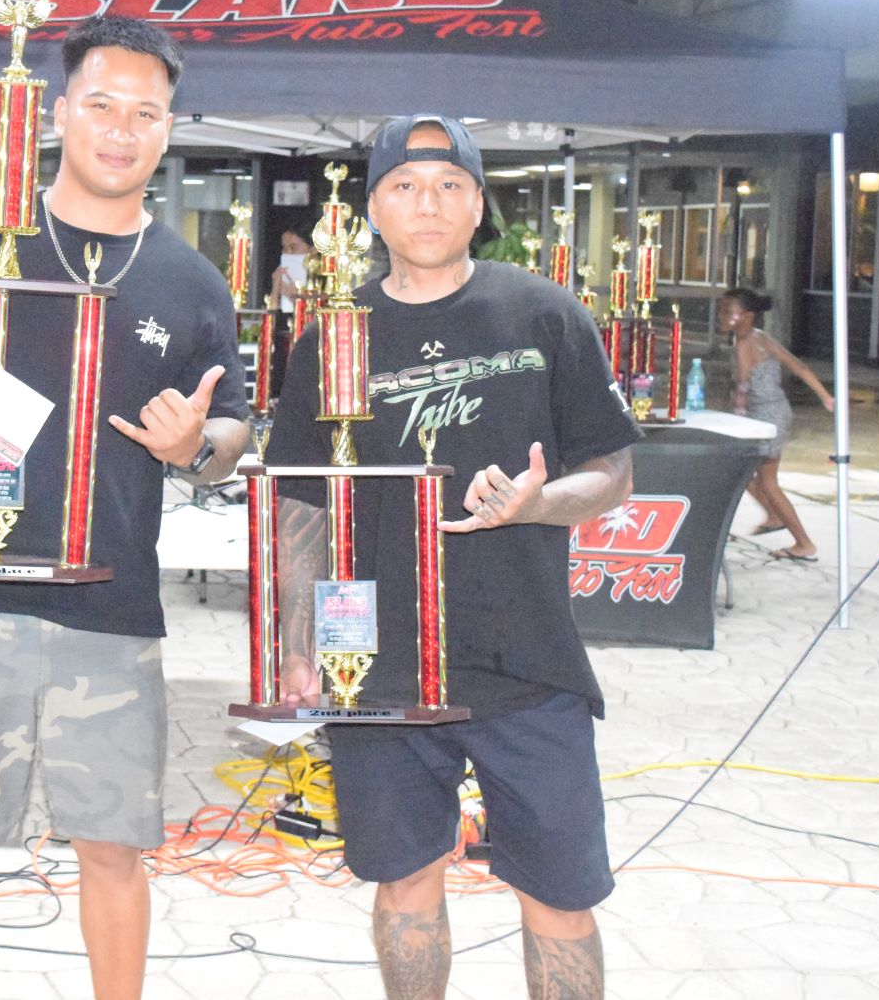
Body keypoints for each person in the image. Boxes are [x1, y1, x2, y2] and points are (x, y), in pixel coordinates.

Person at [0, 15, 250, 1000]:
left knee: (114, 856)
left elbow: (230, 432)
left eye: (146, 113)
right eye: (103, 104)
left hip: (112, 616)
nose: (122, 130)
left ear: (169, 129)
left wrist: (191, 449)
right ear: (60, 111)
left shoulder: (191, 282)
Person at [266, 114, 639, 1000]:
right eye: (402, 185)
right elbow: (301, 501)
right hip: (378, 660)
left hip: (526, 655)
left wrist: (538, 504)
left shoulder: (544, 312)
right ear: (371, 209)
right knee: (404, 880)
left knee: (558, 892)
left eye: (447, 185)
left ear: (478, 203)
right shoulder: (331, 333)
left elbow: (613, 470)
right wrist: (296, 640)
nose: (425, 204)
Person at [719, 287, 835, 562]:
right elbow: (799, 367)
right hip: (777, 412)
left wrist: (736, 420)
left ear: (746, 315)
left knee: (767, 481)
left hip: (765, 416)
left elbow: (743, 387)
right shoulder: (762, 338)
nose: (722, 316)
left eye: (727, 311)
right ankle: (773, 516)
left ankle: (803, 543)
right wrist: (824, 396)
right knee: (746, 472)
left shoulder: (745, 343)